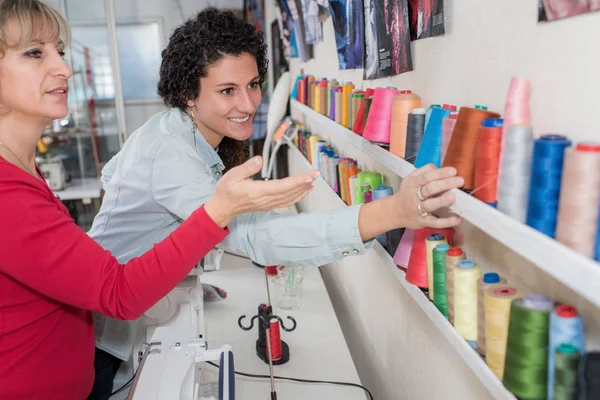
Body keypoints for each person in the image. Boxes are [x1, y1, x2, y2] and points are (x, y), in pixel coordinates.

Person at [87, 7, 465, 398]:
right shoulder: (170, 151)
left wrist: (183, 274)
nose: (249, 104)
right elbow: (253, 237)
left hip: (130, 310)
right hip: (102, 336)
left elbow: (114, 178)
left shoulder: (180, 132)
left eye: (252, 84)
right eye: (227, 91)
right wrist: (392, 212)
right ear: (187, 93)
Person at [0, 1, 319, 399]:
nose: (64, 68)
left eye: (60, 52)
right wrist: (215, 211)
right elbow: (119, 293)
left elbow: (110, 176)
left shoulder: (24, 171)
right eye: (34, 52)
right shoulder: (7, 193)